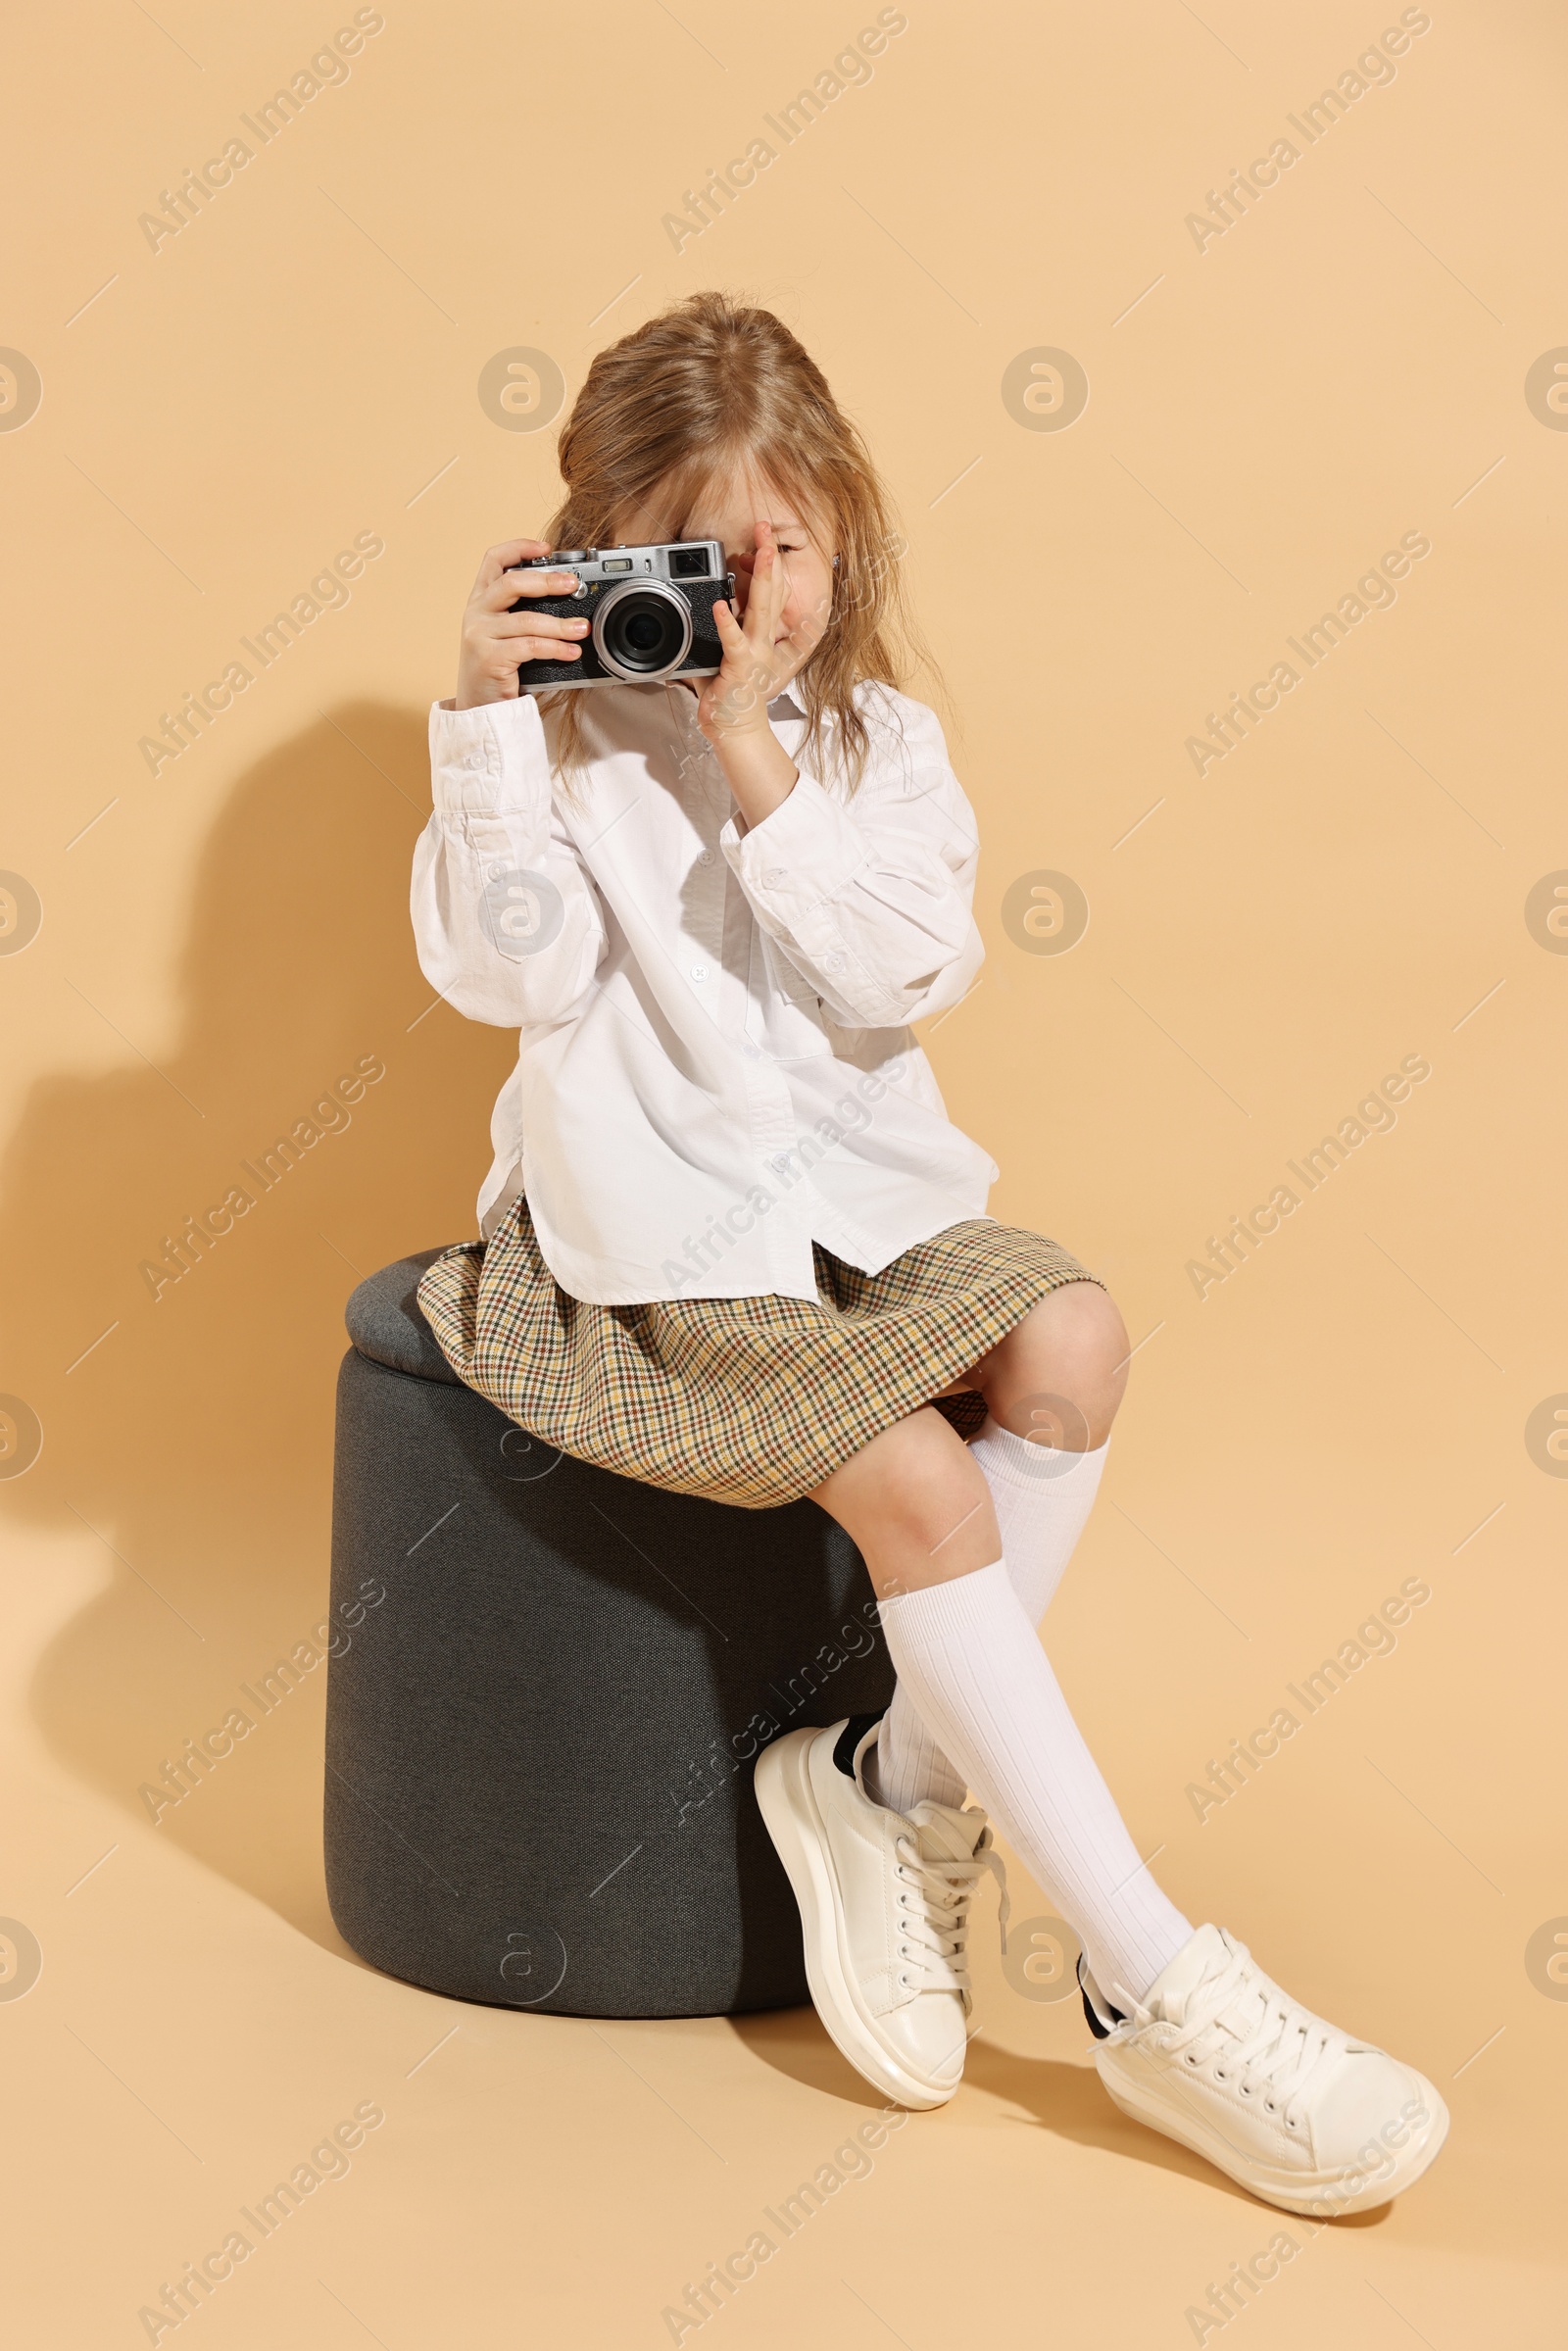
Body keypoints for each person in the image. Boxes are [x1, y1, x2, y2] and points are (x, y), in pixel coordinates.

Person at [410, 290, 1446, 2218]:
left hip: (862, 1213)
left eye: (776, 552)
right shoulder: (547, 754)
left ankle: (887, 1794)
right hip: (649, 1244)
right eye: (687, 560)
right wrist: (483, 725)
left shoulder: (877, 746)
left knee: (1072, 1334)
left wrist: (749, 753)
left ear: (839, 538)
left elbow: (901, 966)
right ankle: (1154, 1982)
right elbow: (509, 975)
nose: (741, 602)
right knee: (908, 1482)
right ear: (593, 553)